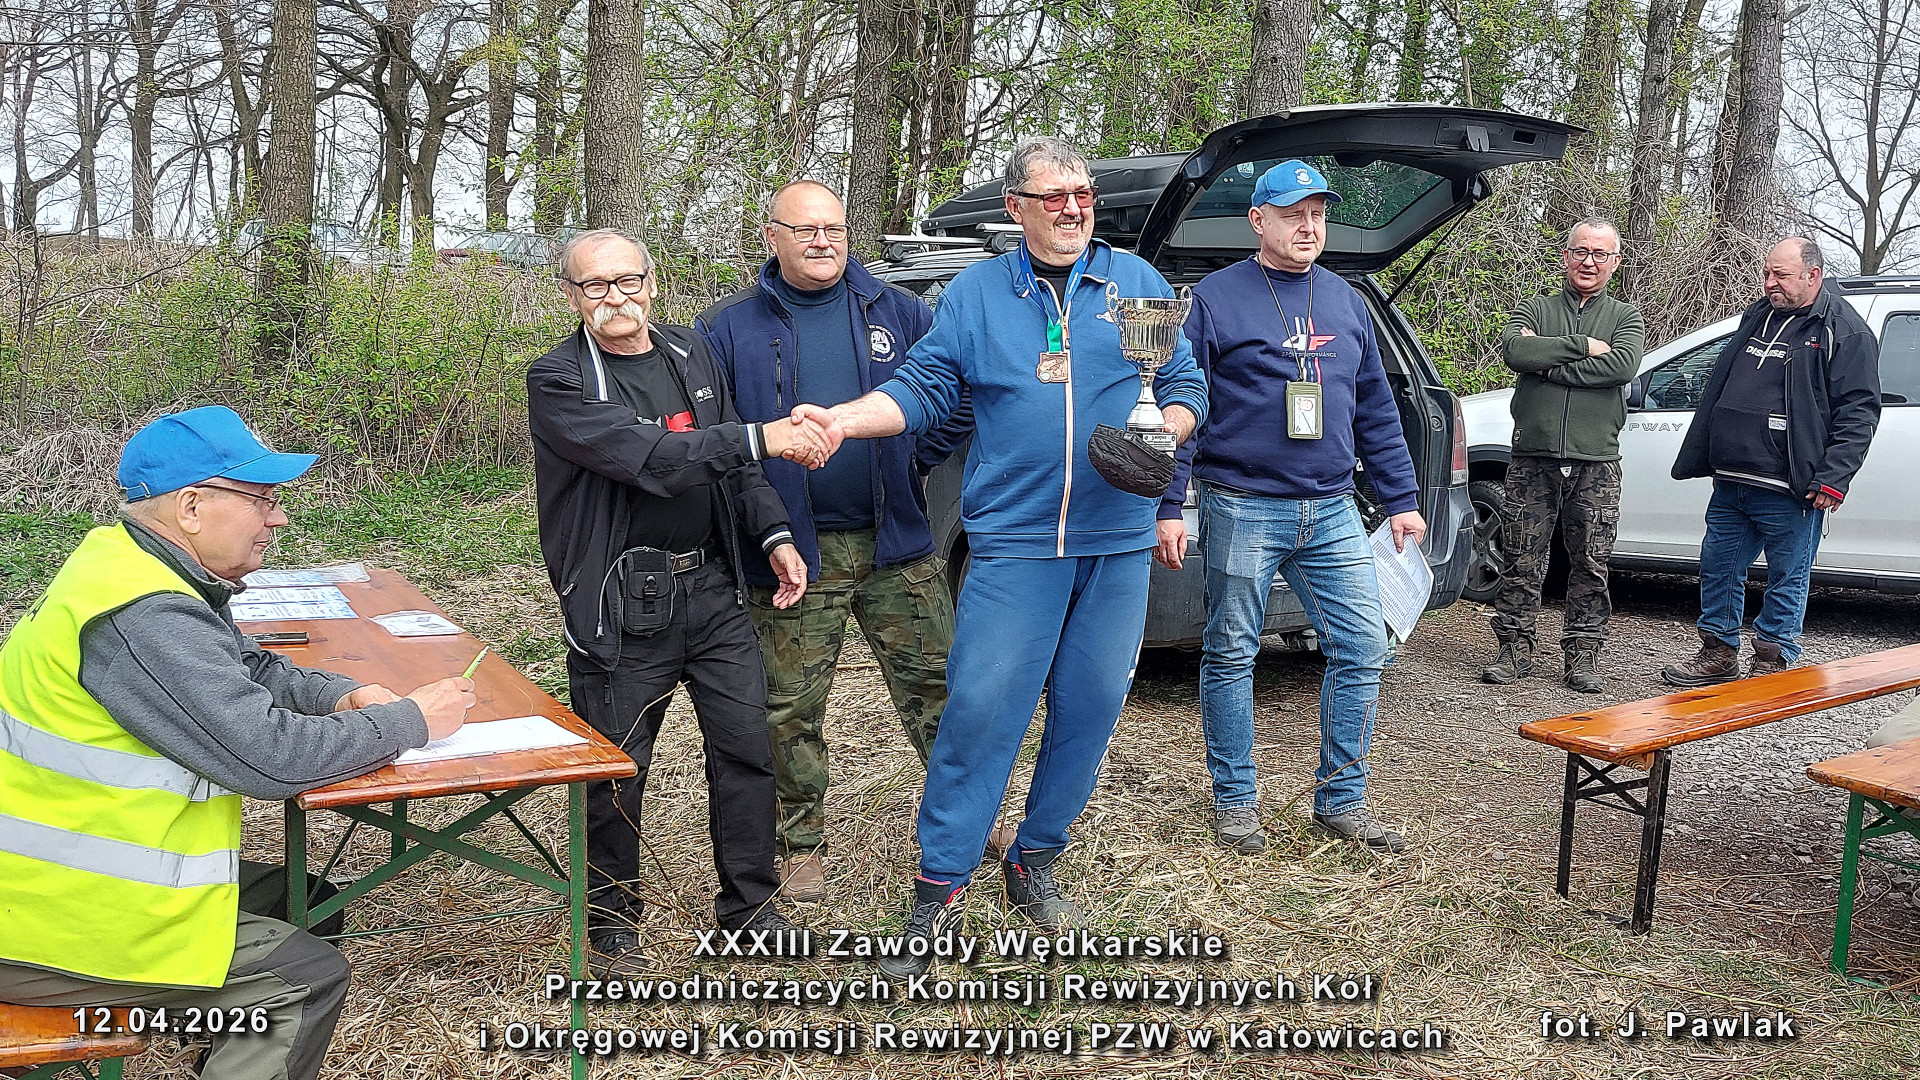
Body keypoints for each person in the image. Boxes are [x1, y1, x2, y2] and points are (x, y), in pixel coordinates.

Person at [790, 137, 1208, 976]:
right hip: (1017, 547)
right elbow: (923, 388)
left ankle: (1035, 856)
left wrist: (1164, 431)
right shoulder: (976, 295)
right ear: (1016, 209)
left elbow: (1186, 385)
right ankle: (939, 886)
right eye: (1053, 196)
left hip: (1117, 543)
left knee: (1091, 710)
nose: (1073, 208)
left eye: (1083, 193)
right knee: (982, 713)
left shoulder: (1135, 284)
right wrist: (846, 419)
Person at [0, 406, 473, 1080]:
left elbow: (244, 667)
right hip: (46, 922)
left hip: (49, 882)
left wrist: (340, 697)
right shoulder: (145, 613)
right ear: (192, 506)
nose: (277, 519)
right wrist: (411, 722)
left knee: (302, 899)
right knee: (302, 982)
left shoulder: (128, 565)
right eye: (262, 500)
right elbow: (270, 758)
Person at [697, 181, 1000, 902]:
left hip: (898, 547)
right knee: (788, 709)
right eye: (805, 229)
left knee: (944, 692)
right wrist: (766, 528)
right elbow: (724, 442)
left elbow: (957, 395)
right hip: (792, 555)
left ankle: (971, 822)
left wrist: (916, 459)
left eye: (833, 228)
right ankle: (799, 843)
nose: (822, 241)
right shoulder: (728, 328)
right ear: (771, 236)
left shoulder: (900, 311)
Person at [526, 228, 817, 976]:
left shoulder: (692, 352)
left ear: (652, 284)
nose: (615, 297)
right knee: (616, 767)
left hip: (713, 590)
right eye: (595, 285)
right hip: (622, 603)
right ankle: (611, 917)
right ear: (571, 296)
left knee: (747, 749)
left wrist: (774, 534)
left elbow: (732, 463)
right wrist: (764, 438)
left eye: (628, 280)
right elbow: (652, 459)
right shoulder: (559, 380)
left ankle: (750, 910)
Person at [1168, 159, 1425, 856]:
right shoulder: (1214, 299)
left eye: (1317, 214)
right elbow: (1180, 402)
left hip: (1332, 508)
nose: (1308, 227)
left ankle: (1342, 800)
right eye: (1292, 215)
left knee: (1364, 646)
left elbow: (1375, 409)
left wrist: (1401, 500)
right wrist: (1169, 503)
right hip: (1242, 503)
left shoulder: (1347, 301)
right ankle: (1236, 802)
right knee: (1231, 651)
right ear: (1259, 221)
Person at [1661, 237, 1881, 685]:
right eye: (1767, 273)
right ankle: (1718, 653)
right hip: (1732, 479)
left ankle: (1771, 661)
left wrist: (1833, 478)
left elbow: (1859, 411)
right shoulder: (1759, 313)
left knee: (1788, 576)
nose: (1769, 283)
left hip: (1791, 485)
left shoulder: (1845, 329)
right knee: (1718, 567)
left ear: (1813, 275)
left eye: (1780, 275)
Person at [1482, 218, 1645, 693]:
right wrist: (1581, 347)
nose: (1589, 262)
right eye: (1581, 251)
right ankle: (1513, 650)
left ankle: (1583, 655)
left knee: (1591, 562)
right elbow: (1516, 352)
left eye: (1599, 254)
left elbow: (1621, 366)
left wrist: (1549, 366)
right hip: (1533, 458)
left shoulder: (1626, 317)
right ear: (1566, 255)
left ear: (1614, 262)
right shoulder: (1536, 307)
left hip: (1596, 462)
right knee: (1521, 556)